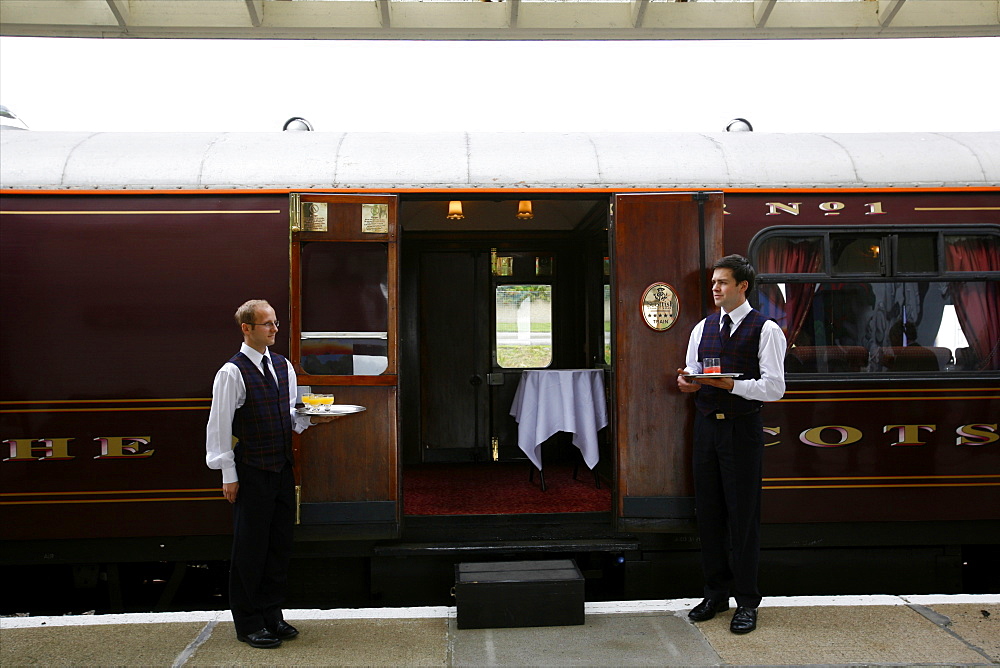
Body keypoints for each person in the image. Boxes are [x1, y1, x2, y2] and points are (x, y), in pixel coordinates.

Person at [206, 299, 336, 649]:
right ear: (246, 328)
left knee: (279, 546)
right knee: (250, 549)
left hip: (280, 469)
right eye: (267, 324)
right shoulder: (231, 372)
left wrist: (313, 419)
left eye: (275, 323)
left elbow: (290, 418)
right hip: (250, 472)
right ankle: (248, 623)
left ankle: (271, 616)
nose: (275, 329)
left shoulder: (283, 366)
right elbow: (218, 428)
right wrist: (227, 474)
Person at [676, 255, 786, 635]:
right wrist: (688, 383)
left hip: (742, 430)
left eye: (722, 283)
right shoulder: (701, 328)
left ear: (743, 286)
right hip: (706, 429)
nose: (715, 289)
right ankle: (715, 593)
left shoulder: (767, 329)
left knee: (743, 518)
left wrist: (733, 385)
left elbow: (775, 388)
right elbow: (691, 374)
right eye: (713, 283)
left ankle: (747, 602)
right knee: (708, 514)